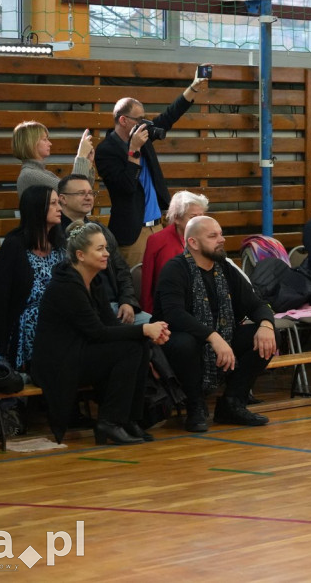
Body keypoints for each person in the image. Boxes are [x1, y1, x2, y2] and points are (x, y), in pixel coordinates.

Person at [33, 222, 170, 445]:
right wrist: (144, 329)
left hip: (81, 351)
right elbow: (97, 332)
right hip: (58, 362)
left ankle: (127, 419)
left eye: (106, 248)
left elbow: (109, 324)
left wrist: (146, 334)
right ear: (81, 255)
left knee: (140, 345)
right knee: (129, 348)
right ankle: (109, 422)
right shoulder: (66, 286)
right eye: (100, 249)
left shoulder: (93, 281)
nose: (107, 253)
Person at [153, 216, 277, 432]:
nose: (221, 239)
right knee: (186, 342)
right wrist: (213, 337)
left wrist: (266, 325)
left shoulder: (225, 268)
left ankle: (232, 403)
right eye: (213, 236)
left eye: (221, 234)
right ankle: (195, 406)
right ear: (193, 243)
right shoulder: (175, 269)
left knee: (265, 336)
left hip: (221, 337)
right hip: (179, 341)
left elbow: (256, 304)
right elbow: (175, 315)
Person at [95, 71, 209, 266]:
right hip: (133, 233)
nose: (144, 123)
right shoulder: (106, 151)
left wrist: (194, 87)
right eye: (139, 119)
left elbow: (169, 116)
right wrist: (134, 150)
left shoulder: (143, 135)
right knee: (137, 286)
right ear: (123, 120)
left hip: (158, 227)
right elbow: (126, 186)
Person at [0, 185, 65, 370]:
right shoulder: (15, 246)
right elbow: (0, 301)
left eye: (59, 203)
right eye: (53, 204)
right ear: (36, 208)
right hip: (19, 326)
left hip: (55, 320)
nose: (59, 208)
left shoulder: (60, 246)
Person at [57, 174, 149, 325]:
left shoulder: (100, 230)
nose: (88, 197)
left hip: (116, 306)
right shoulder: (55, 234)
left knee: (158, 330)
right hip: (81, 311)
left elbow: (122, 270)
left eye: (90, 193)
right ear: (63, 199)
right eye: (81, 193)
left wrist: (127, 302)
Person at [13, 120, 94, 197]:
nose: (50, 143)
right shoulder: (29, 175)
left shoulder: (43, 173)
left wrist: (87, 163)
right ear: (30, 143)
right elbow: (74, 193)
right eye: (45, 139)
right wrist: (81, 156)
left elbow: (83, 191)